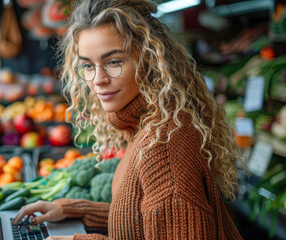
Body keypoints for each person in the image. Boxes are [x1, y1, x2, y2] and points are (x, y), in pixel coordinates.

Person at [13, 1, 245, 239]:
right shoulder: (146, 124)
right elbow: (145, 221)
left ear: (149, 59)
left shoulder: (162, 145)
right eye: (87, 65)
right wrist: (75, 212)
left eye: (113, 62)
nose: (97, 80)